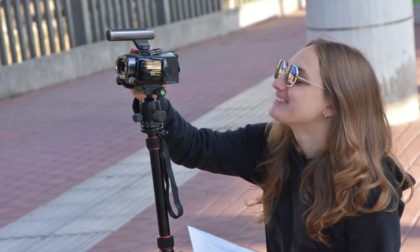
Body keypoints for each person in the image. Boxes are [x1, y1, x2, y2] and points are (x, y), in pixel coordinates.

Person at [131, 38, 415, 252]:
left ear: (332, 104)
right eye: (282, 69)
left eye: (295, 77)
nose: (278, 83)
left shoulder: (370, 194)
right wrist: (153, 101)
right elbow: (195, 147)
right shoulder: (270, 145)